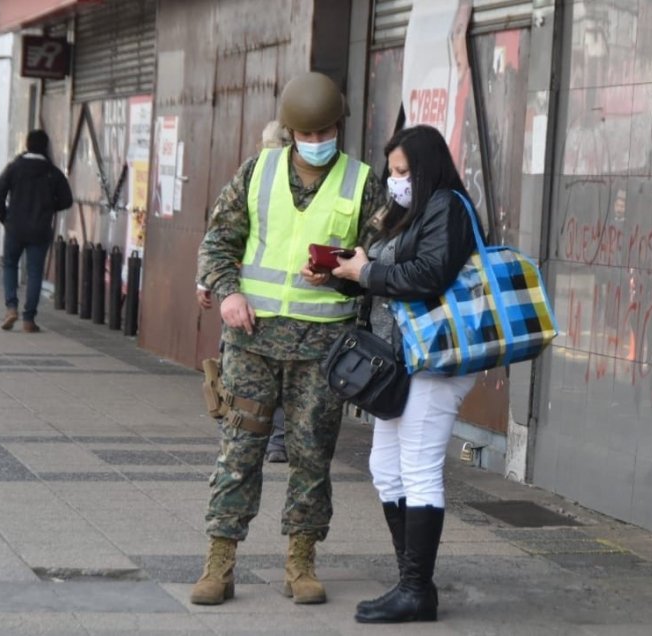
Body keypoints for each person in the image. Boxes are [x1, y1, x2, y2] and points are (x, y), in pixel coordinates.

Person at [190, 72, 382, 606]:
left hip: (323, 350)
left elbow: (379, 259)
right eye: (310, 133)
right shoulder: (257, 172)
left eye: (328, 132)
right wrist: (227, 292)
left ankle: (301, 563)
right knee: (239, 451)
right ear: (292, 132)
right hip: (252, 343)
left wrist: (343, 271)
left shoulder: (363, 182)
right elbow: (218, 241)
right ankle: (220, 563)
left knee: (312, 456)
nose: (320, 142)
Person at [309, 124, 476, 624]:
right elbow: (383, 279)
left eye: (402, 172)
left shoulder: (445, 207)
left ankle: (416, 590)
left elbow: (428, 276)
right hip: (401, 360)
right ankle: (411, 581)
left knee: (419, 470)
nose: (395, 180)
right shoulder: (405, 214)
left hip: (434, 359)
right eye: (392, 171)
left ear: (425, 169)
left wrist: (366, 273)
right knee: (386, 469)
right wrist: (343, 275)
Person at [197, 121, 289, 464]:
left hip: (249, 298)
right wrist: (208, 281)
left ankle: (244, 436)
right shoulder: (257, 177)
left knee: (244, 375)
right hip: (252, 298)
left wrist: (206, 283)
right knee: (268, 376)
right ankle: (271, 440)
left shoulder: (253, 177)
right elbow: (221, 237)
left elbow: (220, 234)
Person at [0, 129, 73, 333]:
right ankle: (29, 319)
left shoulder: (15, 167)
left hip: (15, 228)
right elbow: (67, 200)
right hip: (40, 229)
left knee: (10, 265)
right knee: (35, 272)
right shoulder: (52, 172)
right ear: (45, 147)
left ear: (27, 144)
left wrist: (5, 218)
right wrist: (49, 207)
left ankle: (11, 307)